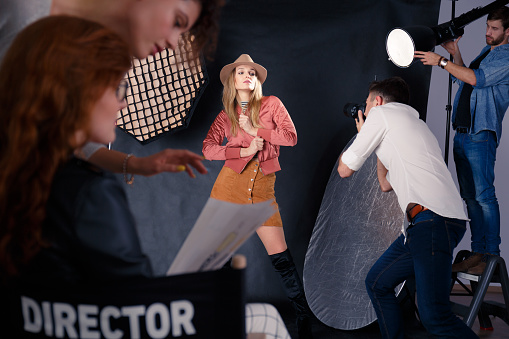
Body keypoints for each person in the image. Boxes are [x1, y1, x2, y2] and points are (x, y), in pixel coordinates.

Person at [0, 16, 290, 338]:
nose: (122, 102)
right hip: (116, 325)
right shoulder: (92, 193)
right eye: (116, 88)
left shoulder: (19, 168)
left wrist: (136, 164)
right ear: (78, 94)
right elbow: (139, 306)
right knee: (266, 320)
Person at [0, 0, 225, 182]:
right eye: (177, 21)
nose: (174, 43)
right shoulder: (21, 7)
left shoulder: (91, 59)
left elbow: (72, 138)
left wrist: (137, 165)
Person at [337, 77, 478, 339]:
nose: (364, 110)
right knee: (378, 283)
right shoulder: (415, 125)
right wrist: (374, 141)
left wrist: (364, 134)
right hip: (427, 225)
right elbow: (384, 185)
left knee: (434, 315)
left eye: (367, 104)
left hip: (431, 222)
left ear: (377, 102)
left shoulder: (381, 115)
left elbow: (345, 170)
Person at [202, 54, 313, 339]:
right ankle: (223, 320)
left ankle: (304, 320)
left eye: (252, 72)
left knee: (282, 259)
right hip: (229, 188)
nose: (247, 76)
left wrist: (256, 130)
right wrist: (241, 151)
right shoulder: (226, 114)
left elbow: (290, 137)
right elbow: (208, 149)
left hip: (262, 191)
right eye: (241, 72)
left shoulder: (271, 104)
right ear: (233, 80)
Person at [414, 6, 509, 275]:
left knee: (484, 196)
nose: (488, 32)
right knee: (470, 197)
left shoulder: (506, 57)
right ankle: (479, 252)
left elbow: (477, 80)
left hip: (481, 134)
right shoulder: (487, 53)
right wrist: (454, 52)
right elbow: (466, 81)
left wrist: (442, 62)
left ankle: (491, 253)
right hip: (464, 131)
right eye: (487, 26)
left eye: (494, 29)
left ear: (507, 32)